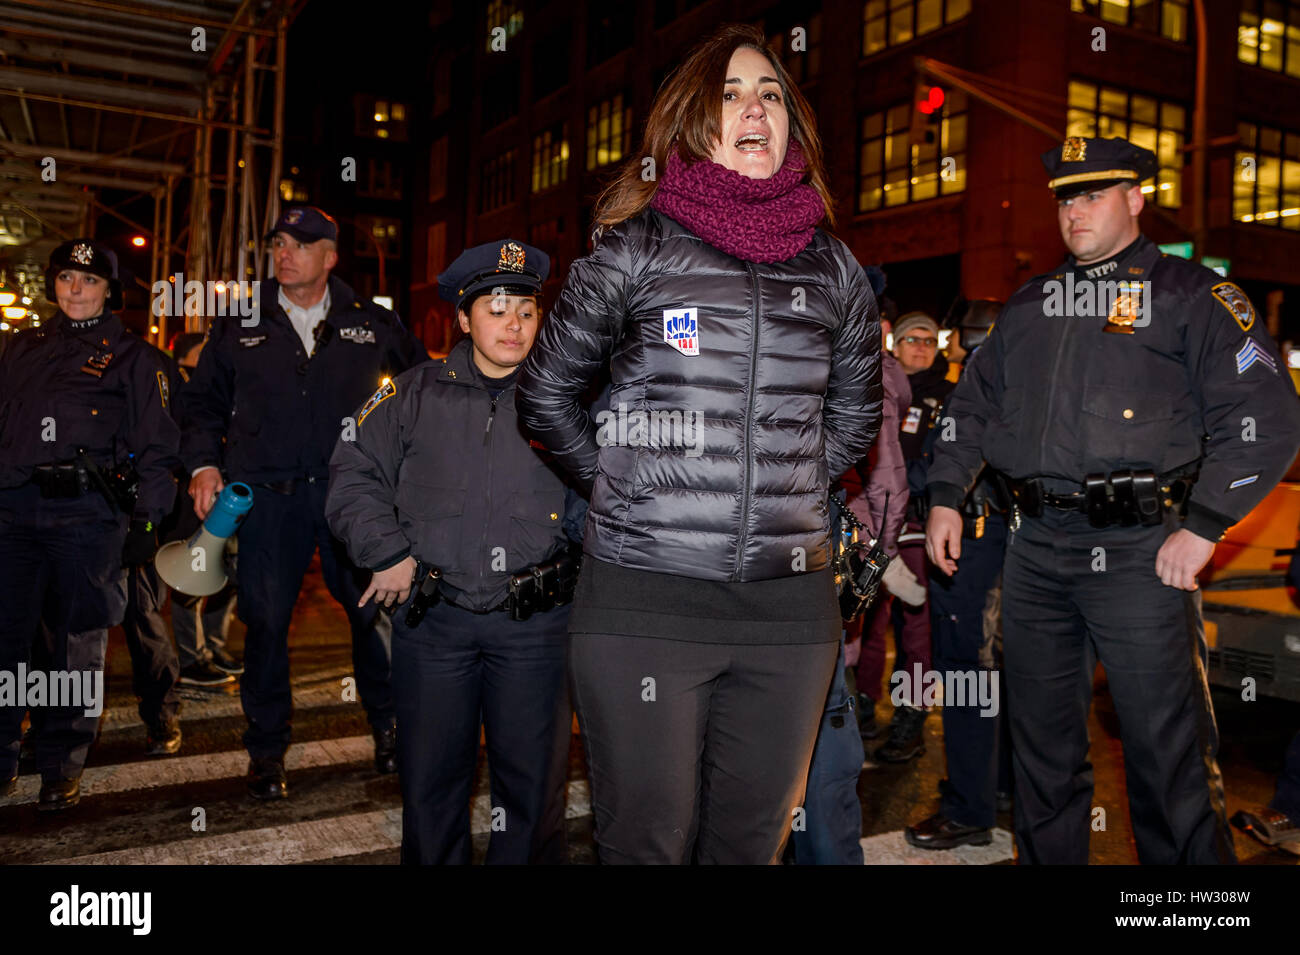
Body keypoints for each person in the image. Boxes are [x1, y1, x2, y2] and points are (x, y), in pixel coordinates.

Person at [516, 24, 881, 864]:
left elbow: (856, 417)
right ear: (693, 121)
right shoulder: (636, 246)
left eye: (772, 95)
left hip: (791, 613)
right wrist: (622, 484)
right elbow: (546, 391)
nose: (756, 108)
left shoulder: (834, 269)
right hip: (645, 602)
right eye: (731, 94)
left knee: (749, 847)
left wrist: (782, 485)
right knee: (646, 842)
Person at [926, 135, 1300, 864]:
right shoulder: (1033, 304)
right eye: (1066, 197)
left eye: (1093, 193)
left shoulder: (1193, 296)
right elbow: (972, 407)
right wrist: (945, 492)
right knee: (1041, 753)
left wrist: (1205, 525)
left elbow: (1266, 419)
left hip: (1141, 552)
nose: (1075, 210)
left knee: (1169, 756)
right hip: (1035, 552)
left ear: (1137, 197)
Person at [329, 239, 580, 864]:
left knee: (532, 792)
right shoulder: (410, 396)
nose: (514, 325)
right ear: (463, 320)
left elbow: (607, 490)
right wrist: (384, 550)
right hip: (434, 623)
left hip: (536, 626)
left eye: (526, 311)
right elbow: (352, 474)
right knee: (432, 785)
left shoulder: (567, 400)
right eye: (497, 310)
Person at [178, 206, 427, 800]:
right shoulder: (239, 320)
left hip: (354, 496)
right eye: (280, 243)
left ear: (330, 256)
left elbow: (420, 394)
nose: (285, 253)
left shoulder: (371, 321)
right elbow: (201, 403)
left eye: (301, 244)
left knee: (373, 614)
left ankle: (389, 726)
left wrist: (410, 475)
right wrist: (204, 463)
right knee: (265, 624)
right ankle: (266, 750)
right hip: (269, 499)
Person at [0, 238, 180, 809]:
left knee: (76, 647)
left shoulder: (137, 359)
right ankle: (3, 753)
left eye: (89, 281)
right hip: (14, 511)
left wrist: (147, 523)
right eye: (65, 279)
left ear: (109, 291)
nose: (74, 290)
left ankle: (60, 763)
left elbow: (158, 450)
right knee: (7, 641)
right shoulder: (19, 348)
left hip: (87, 517)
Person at [856, 311, 952, 761]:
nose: (920, 346)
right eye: (912, 338)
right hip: (874, 520)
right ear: (896, 343)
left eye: (928, 341)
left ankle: (912, 712)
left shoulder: (948, 396)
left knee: (916, 625)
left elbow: (945, 463)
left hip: (918, 521)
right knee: (865, 619)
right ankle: (861, 704)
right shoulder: (870, 382)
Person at [168, 332, 239, 689]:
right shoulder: (181, 388)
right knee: (192, 581)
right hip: (191, 500)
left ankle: (213, 647)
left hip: (227, 497)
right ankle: (192, 657)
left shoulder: (222, 387)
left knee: (225, 577)